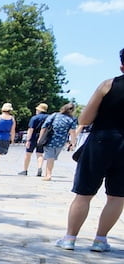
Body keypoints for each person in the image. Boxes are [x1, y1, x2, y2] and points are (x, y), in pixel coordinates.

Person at [55, 48, 124, 253]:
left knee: (83, 194)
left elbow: (84, 119)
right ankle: (100, 240)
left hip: (101, 142)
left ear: (122, 66)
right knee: (117, 197)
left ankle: (70, 238)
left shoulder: (108, 85)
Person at [37, 102, 78, 181]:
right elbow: (73, 132)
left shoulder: (55, 115)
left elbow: (44, 126)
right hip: (61, 141)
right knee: (52, 157)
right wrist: (73, 143)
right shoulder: (71, 119)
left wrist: (40, 137)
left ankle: (48, 175)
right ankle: (48, 174)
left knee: (50, 157)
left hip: (50, 139)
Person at [19, 102, 49, 175]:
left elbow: (31, 129)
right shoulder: (48, 117)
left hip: (33, 136)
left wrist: (28, 140)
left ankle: (25, 170)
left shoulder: (34, 118)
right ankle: (39, 168)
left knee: (28, 154)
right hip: (43, 137)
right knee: (40, 154)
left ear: (38, 110)